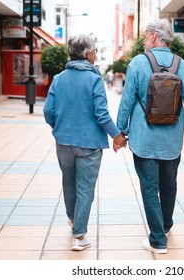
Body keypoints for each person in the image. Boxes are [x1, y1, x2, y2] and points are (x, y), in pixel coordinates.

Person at [116, 19, 184, 254]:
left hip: (144, 137)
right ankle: (165, 225)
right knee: (168, 183)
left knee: (149, 186)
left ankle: (158, 240)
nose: (144, 41)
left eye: (145, 36)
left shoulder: (137, 64)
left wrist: (120, 132)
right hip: (172, 138)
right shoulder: (183, 66)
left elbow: (127, 102)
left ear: (154, 36)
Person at [43, 34, 126, 251]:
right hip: (89, 145)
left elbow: (48, 111)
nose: (96, 54)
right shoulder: (94, 79)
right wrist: (117, 135)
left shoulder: (59, 78)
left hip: (64, 142)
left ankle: (73, 220)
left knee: (68, 182)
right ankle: (79, 236)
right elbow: (101, 113)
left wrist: (59, 129)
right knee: (85, 188)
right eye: (95, 50)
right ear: (88, 53)